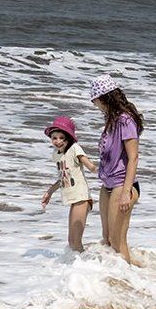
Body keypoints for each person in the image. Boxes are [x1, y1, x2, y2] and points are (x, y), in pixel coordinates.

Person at [89, 74, 144, 264]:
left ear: (104, 97)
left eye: (94, 100)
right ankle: (118, 278)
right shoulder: (112, 120)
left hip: (122, 184)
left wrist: (126, 192)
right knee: (107, 239)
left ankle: (127, 279)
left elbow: (133, 157)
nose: (94, 104)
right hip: (108, 184)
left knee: (117, 242)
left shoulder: (125, 120)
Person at [40, 116, 98, 252]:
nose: (58, 141)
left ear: (69, 138)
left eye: (62, 138)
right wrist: (49, 192)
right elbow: (62, 178)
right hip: (73, 199)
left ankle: (87, 263)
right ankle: (82, 262)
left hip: (81, 197)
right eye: (54, 138)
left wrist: (101, 171)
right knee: (71, 242)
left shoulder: (75, 148)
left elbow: (90, 166)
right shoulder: (57, 155)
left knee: (76, 242)